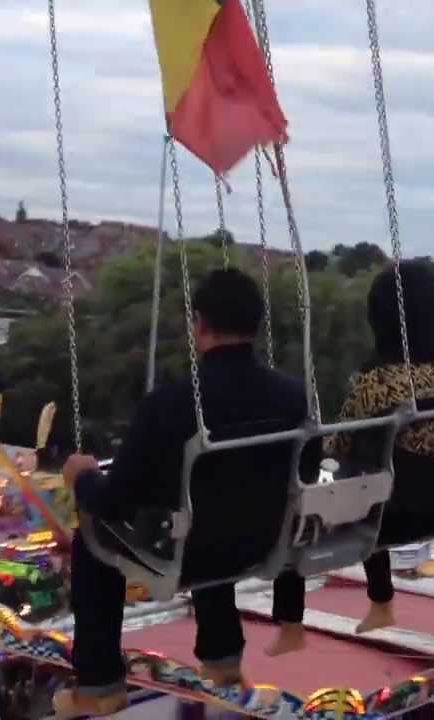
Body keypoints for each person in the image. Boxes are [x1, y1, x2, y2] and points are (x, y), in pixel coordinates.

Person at [55, 269, 318, 717]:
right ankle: (222, 660)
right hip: (262, 542)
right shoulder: (295, 397)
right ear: (256, 325)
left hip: (192, 552)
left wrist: (81, 478)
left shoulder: (171, 404)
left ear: (199, 323)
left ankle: (99, 683)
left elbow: (115, 501)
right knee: (207, 511)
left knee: (93, 538)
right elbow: (306, 473)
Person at [264, 262, 434, 656]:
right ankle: (381, 603)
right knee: (383, 482)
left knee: (295, 519)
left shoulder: (379, 383)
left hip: (386, 515)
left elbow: (340, 445)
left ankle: (290, 626)